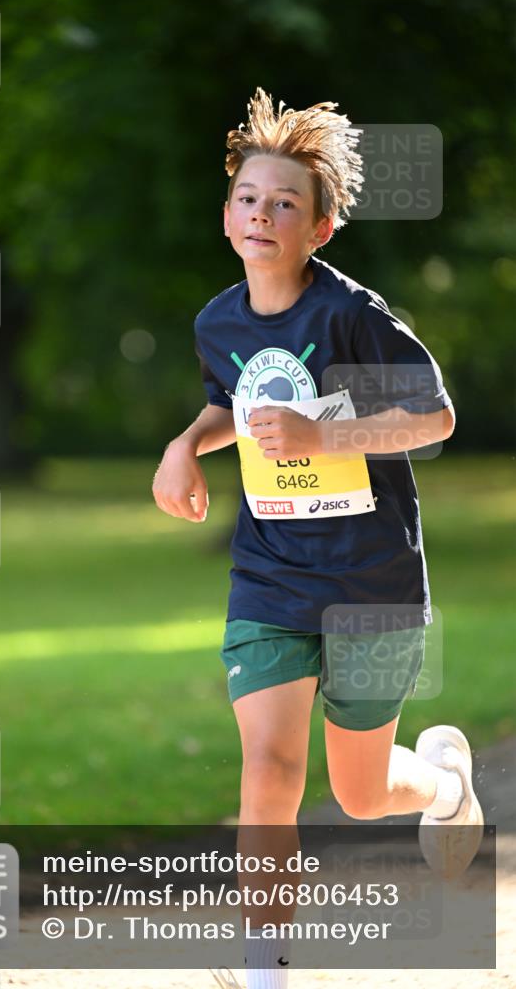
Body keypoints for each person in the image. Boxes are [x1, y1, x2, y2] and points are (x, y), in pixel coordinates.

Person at [152, 87, 483, 989]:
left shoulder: (349, 316)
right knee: (269, 766)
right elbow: (234, 403)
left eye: (285, 204)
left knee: (361, 793)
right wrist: (186, 446)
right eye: (249, 199)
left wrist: (322, 437)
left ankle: (446, 783)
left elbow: (433, 415)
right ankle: (266, 967)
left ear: (321, 228)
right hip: (269, 574)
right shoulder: (217, 322)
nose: (262, 214)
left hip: (371, 580)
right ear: (227, 216)